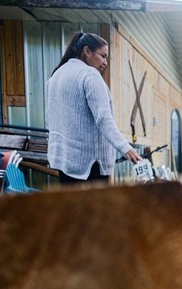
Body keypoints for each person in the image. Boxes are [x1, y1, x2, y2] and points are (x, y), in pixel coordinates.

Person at [46, 32, 141, 185]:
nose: (105, 62)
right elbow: (103, 118)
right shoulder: (90, 75)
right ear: (87, 51)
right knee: (95, 209)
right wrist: (126, 148)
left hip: (65, 160)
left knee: (72, 208)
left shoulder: (56, 75)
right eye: (103, 56)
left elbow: (50, 118)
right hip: (89, 164)